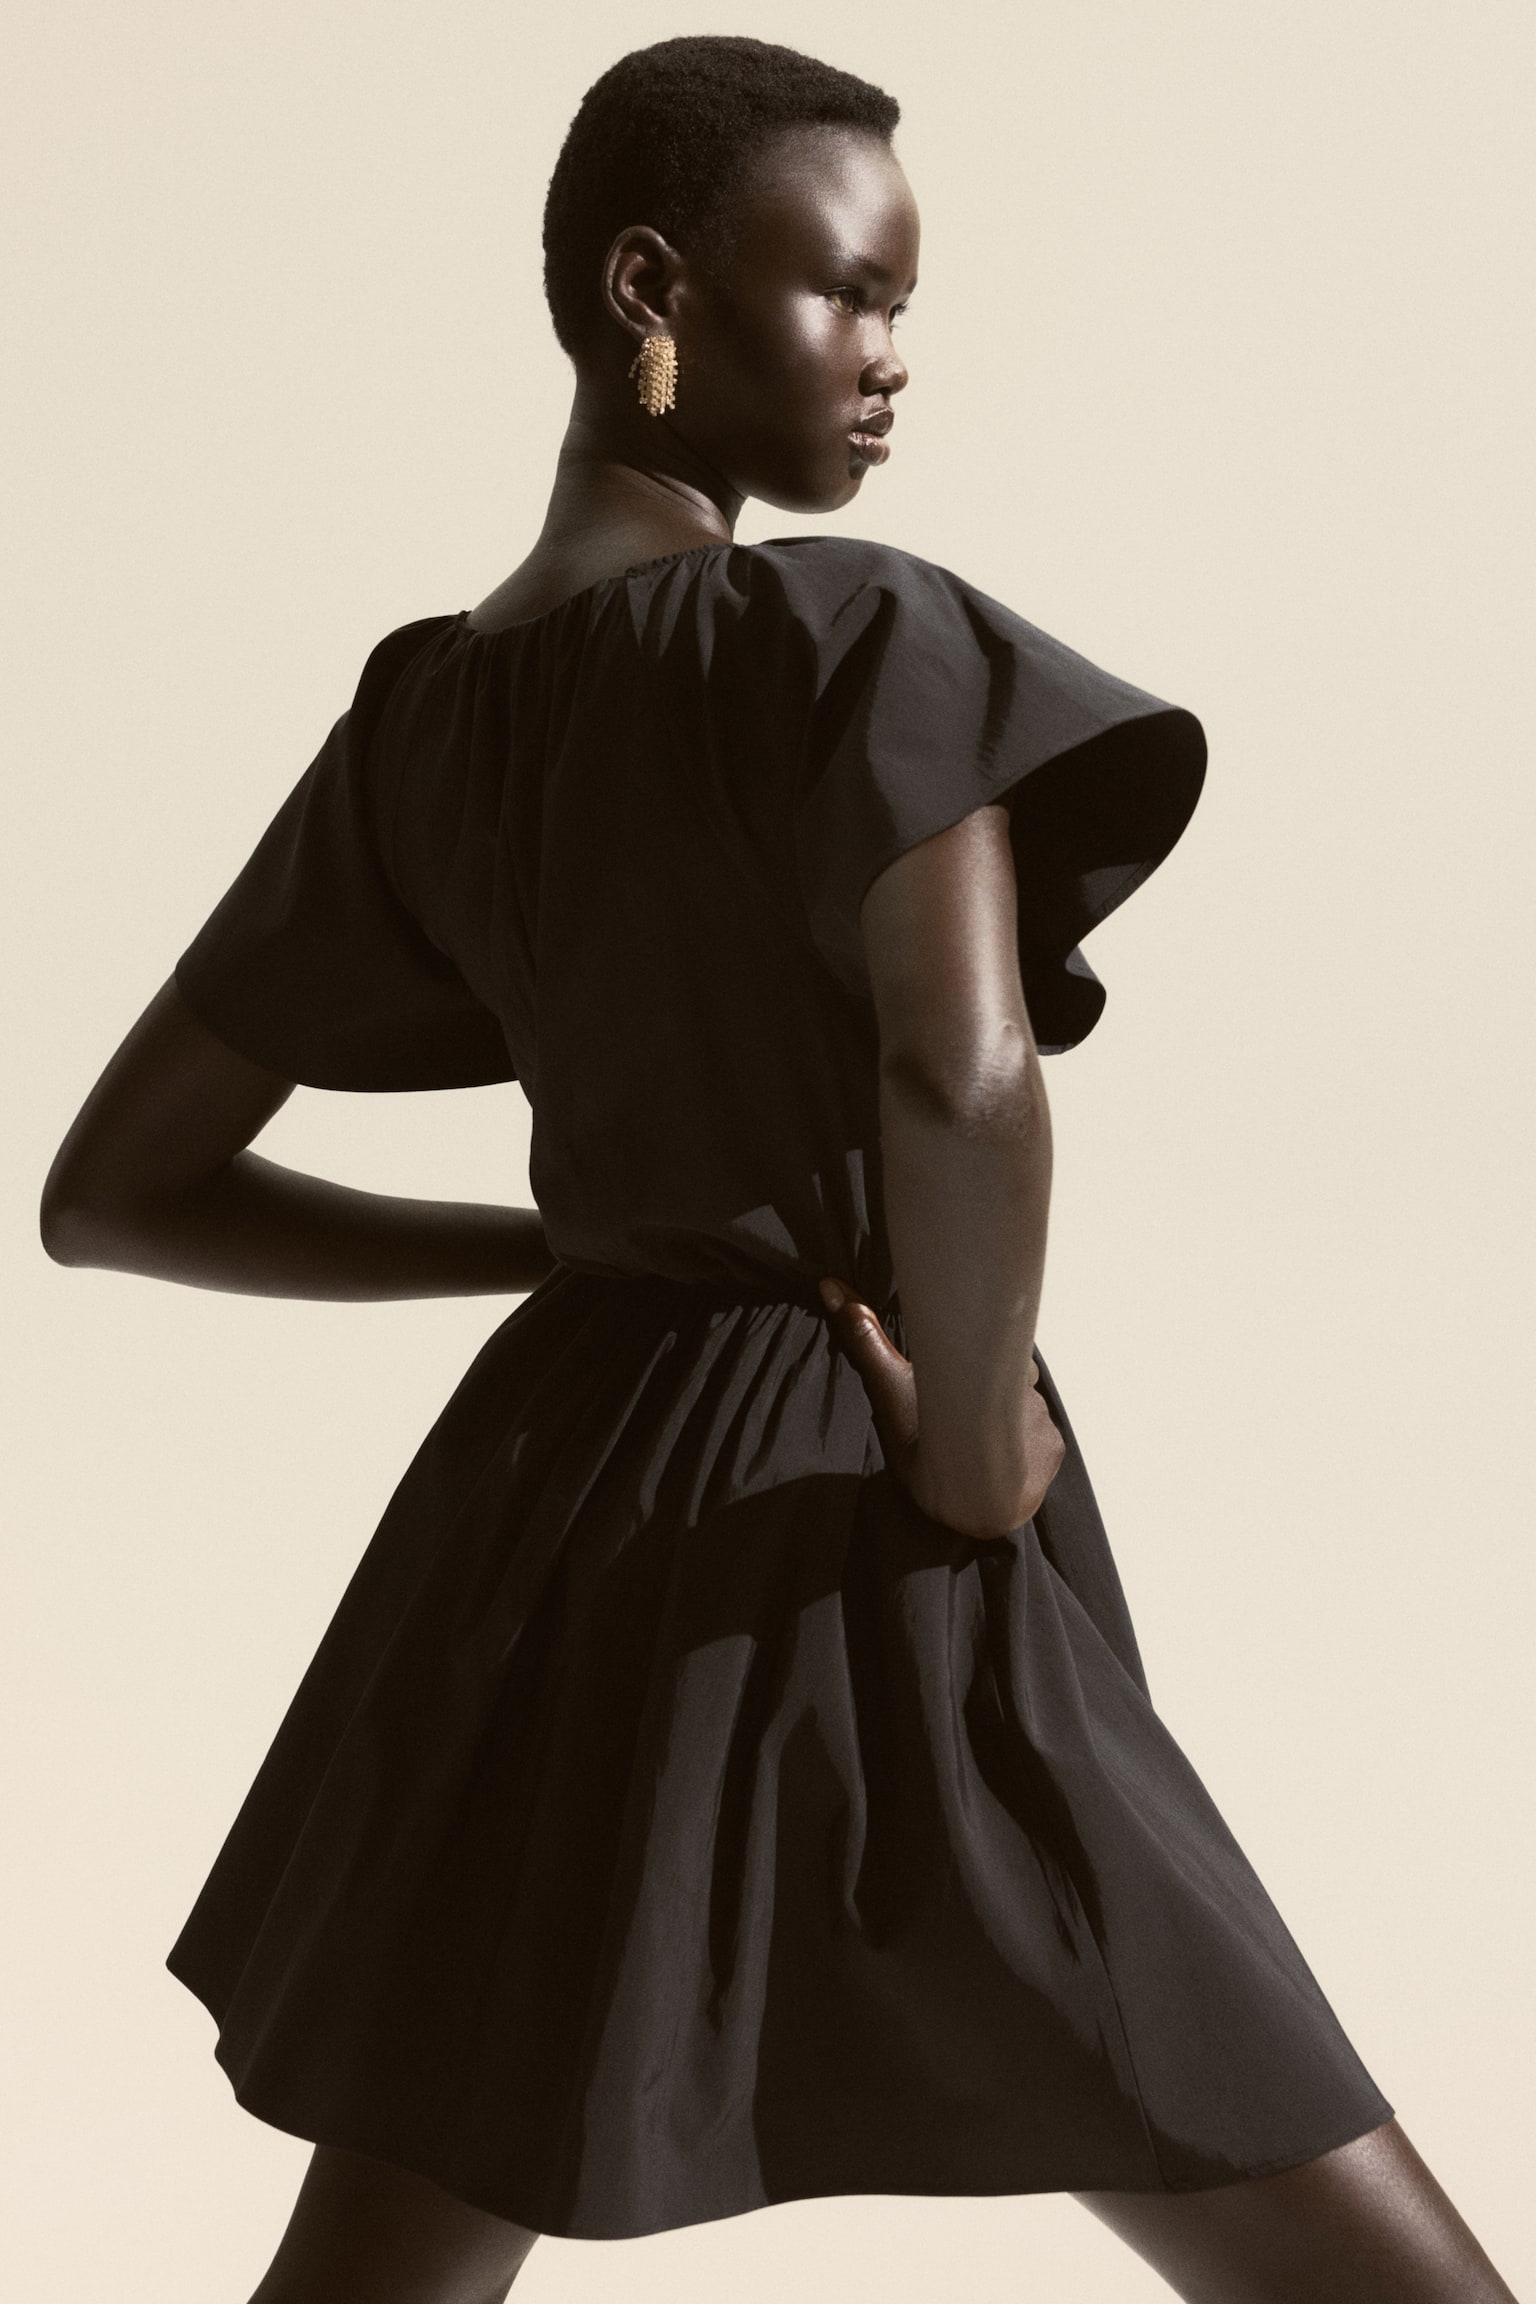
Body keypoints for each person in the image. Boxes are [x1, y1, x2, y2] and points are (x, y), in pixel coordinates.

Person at [39, 33, 1516, 2304]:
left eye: (903, 306)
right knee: (1277, 2165)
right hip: (853, 1479)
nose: (893, 357)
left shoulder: (425, 719)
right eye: (850, 291)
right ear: (654, 288)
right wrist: (968, 1445)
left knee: (393, 2245)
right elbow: (966, 1078)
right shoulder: (855, 639)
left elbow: (119, 1192)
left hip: (559, 1520)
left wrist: (570, 1252)